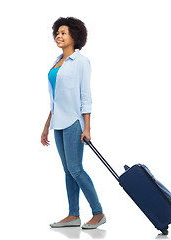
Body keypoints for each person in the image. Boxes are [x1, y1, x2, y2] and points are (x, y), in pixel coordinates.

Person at [41, 17, 106, 229]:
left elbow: (85, 96)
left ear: (74, 37)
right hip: (58, 123)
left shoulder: (81, 62)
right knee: (68, 171)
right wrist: (45, 126)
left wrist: (87, 127)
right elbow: (55, 98)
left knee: (76, 169)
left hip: (74, 122)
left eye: (63, 33)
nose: (58, 36)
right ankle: (73, 215)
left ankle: (98, 213)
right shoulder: (56, 62)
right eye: (57, 33)